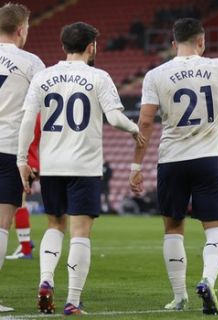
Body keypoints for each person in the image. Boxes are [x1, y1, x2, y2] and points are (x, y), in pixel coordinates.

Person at [129, 13, 218, 315]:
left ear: (173, 42)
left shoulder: (155, 75)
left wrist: (136, 167)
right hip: (207, 158)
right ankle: (207, 279)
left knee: (173, 227)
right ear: (202, 42)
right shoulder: (217, 66)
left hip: (172, 160)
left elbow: (146, 121)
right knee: (215, 228)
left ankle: (179, 297)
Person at [17, 22, 144, 315]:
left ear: (63, 46)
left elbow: (27, 121)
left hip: (51, 165)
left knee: (54, 225)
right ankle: (73, 300)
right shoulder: (99, 77)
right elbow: (115, 118)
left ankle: (46, 280)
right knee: (81, 232)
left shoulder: (43, 76)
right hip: (84, 166)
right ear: (91, 47)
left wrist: (22, 160)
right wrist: (135, 128)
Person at [0, 3, 45, 313]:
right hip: (8, 149)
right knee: (2, 223)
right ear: (20, 30)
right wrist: (33, 159)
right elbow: (38, 114)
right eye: (27, 28)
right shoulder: (31, 62)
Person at [6, 114, 41, 260]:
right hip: (32, 161)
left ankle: (26, 247)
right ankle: (26, 244)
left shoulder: (20, 113)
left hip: (22, 162)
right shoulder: (40, 114)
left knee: (17, 204)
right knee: (18, 203)